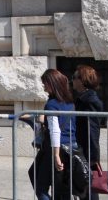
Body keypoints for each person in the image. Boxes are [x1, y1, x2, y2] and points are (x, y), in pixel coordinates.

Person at [30, 69, 77, 200]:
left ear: (53, 84)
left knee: (42, 186)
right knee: (61, 187)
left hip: (57, 148)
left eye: (45, 83)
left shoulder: (52, 105)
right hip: (71, 146)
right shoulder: (70, 102)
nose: (44, 87)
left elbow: (55, 130)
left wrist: (56, 155)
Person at [72, 65, 104, 198]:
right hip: (83, 149)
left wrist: (92, 156)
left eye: (74, 78)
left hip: (87, 151)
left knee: (88, 189)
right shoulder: (82, 99)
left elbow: (92, 130)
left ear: (82, 80)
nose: (71, 80)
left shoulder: (89, 101)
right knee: (85, 188)